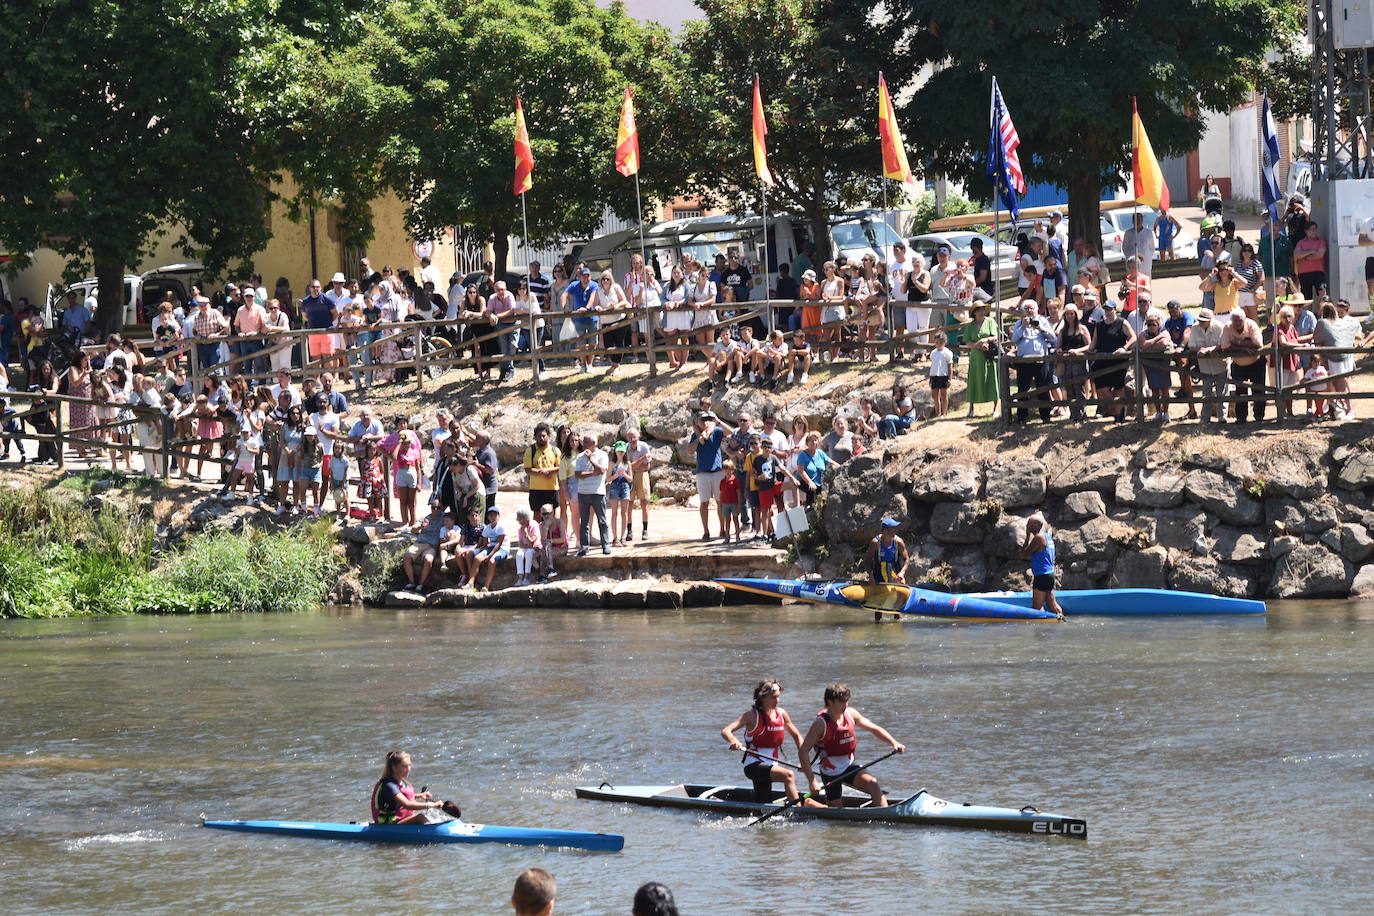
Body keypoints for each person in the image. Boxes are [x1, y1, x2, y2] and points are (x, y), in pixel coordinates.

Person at [799, 684, 904, 808]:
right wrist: (812, 781)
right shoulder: (821, 724)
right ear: (830, 702)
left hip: (849, 766)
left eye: (846, 701)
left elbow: (873, 728)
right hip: (830, 771)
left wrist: (894, 743)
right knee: (836, 812)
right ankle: (810, 803)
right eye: (841, 702)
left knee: (873, 783)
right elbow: (803, 751)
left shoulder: (850, 714)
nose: (845, 705)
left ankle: (886, 814)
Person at [721, 679, 806, 803]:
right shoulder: (752, 716)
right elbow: (726, 730)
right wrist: (734, 741)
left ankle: (760, 812)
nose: (777, 701)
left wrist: (804, 761)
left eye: (778, 697)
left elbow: (797, 736)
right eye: (773, 697)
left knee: (763, 805)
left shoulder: (781, 714)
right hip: (753, 765)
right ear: (763, 697)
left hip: (771, 765)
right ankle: (799, 814)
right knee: (788, 775)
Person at [1011, 301, 1056, 424]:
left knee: (1043, 388)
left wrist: (1041, 328)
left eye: (1032, 308)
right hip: (1024, 362)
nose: (1029, 310)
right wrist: (1023, 327)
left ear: (1037, 309)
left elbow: (1053, 337)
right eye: (1026, 308)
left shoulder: (1043, 320)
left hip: (1041, 361)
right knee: (1023, 389)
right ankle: (1021, 417)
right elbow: (1014, 339)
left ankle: (1045, 416)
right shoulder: (1019, 323)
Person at [690, 410, 732, 541]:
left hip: (717, 471)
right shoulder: (695, 435)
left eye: (707, 419)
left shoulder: (717, 431)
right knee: (704, 503)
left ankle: (722, 529)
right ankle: (706, 531)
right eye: (702, 419)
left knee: (720, 502)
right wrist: (699, 437)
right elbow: (690, 451)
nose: (705, 422)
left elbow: (731, 432)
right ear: (697, 422)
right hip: (703, 472)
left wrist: (717, 420)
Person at [370, 750, 443, 825]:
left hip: (400, 821)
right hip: (388, 825)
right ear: (394, 767)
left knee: (424, 818)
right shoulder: (389, 785)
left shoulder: (402, 782)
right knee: (420, 817)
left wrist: (419, 795)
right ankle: (434, 834)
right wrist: (431, 805)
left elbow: (397, 799)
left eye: (409, 765)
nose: (408, 769)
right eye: (404, 766)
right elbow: (407, 804)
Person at [573, 433, 610, 556]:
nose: (584, 445)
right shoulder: (579, 456)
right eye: (584, 443)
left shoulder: (602, 455)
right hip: (583, 493)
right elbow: (577, 474)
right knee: (584, 521)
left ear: (594, 444)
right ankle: (584, 547)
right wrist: (592, 473)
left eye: (587, 443)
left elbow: (602, 470)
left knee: (602, 520)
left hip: (597, 492)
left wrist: (591, 460)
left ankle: (605, 545)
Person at [961, 302, 1000, 418]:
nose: (981, 312)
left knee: (992, 379)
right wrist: (977, 345)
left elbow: (996, 336)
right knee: (974, 379)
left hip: (989, 355)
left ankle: (996, 408)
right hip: (976, 357)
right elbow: (967, 341)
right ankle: (971, 408)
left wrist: (986, 340)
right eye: (978, 310)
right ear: (974, 312)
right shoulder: (971, 326)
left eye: (983, 309)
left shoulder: (990, 321)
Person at [1021, 515, 1064, 619]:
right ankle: (1062, 619)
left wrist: (1027, 536)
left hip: (1042, 576)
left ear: (1036, 525)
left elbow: (1025, 553)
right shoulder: (1047, 536)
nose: (1027, 526)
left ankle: (1040, 631)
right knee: (1052, 605)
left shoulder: (1038, 538)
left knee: (1037, 607)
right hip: (1049, 575)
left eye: (1029, 524)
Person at [1190, 308, 1229, 424]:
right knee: (1206, 392)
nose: (1201, 323)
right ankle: (1205, 418)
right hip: (1205, 367)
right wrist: (1201, 350)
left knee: (1221, 391)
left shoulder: (1219, 327)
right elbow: (1191, 345)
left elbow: (1223, 343)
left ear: (1210, 321)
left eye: (1203, 321)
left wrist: (1209, 349)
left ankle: (1222, 418)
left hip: (1220, 364)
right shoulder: (1195, 328)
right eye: (1200, 320)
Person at [403, 500, 447, 592]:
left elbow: (452, 524)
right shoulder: (425, 518)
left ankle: (421, 584)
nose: (435, 510)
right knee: (407, 556)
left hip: (432, 545)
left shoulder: (444, 518)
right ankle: (411, 582)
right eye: (433, 508)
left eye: (438, 508)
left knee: (428, 560)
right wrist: (421, 527)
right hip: (420, 543)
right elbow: (413, 530)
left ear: (441, 508)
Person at [523, 422, 561, 513]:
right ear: (535, 437)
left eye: (544, 436)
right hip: (536, 489)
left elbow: (560, 467)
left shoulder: (555, 450)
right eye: (539, 436)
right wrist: (541, 472)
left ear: (549, 436)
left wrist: (547, 471)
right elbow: (527, 469)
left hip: (552, 489)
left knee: (552, 517)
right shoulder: (530, 450)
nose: (541, 438)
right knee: (537, 516)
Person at [472, 505, 510, 591]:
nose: (493, 517)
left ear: (498, 516)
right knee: (477, 558)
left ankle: (486, 586)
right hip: (491, 547)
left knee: (492, 561)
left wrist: (489, 555)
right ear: (488, 517)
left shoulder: (501, 527)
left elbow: (499, 544)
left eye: (495, 515)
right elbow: (485, 544)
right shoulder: (487, 528)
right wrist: (481, 552)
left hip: (503, 548)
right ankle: (471, 582)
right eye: (491, 515)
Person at [624, 427, 652, 542]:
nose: (632, 439)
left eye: (634, 437)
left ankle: (645, 530)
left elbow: (647, 466)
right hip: (630, 476)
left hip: (642, 475)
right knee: (628, 504)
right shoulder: (626, 448)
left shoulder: (644, 446)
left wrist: (634, 465)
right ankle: (629, 531)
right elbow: (628, 467)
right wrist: (641, 460)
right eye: (630, 437)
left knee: (644, 502)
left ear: (638, 437)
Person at [865, 517, 909, 583]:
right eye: (893, 528)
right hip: (879, 571)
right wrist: (871, 576)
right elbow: (867, 560)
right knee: (884, 566)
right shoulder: (876, 542)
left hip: (894, 569)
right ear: (885, 530)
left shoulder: (898, 542)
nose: (895, 530)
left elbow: (907, 559)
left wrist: (902, 572)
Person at [1293, 220, 1327, 302]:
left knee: (1322, 292)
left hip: (1318, 272)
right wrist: (1311, 251)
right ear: (1306, 231)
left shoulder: (1320, 241)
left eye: (1315, 229)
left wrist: (1305, 257)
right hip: (1304, 273)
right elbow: (1297, 254)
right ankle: (1308, 314)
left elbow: (1320, 254)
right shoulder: (1301, 242)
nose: (1314, 231)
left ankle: (1323, 312)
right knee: (1306, 296)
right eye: (1312, 229)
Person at [512, 507, 542, 586]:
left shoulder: (534, 525)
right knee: (519, 554)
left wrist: (526, 533)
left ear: (525, 519)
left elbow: (532, 542)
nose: (518, 522)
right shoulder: (520, 528)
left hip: (535, 548)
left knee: (529, 553)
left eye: (519, 519)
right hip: (526, 547)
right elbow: (520, 543)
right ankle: (520, 578)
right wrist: (525, 545)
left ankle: (526, 578)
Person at [537, 503, 565, 582]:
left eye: (548, 514)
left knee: (545, 548)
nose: (546, 516)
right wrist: (546, 526)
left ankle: (542, 575)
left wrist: (550, 541)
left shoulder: (559, 522)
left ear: (552, 513)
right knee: (545, 548)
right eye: (543, 514)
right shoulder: (541, 525)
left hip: (561, 547)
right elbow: (543, 540)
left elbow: (563, 539)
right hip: (548, 548)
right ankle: (550, 570)